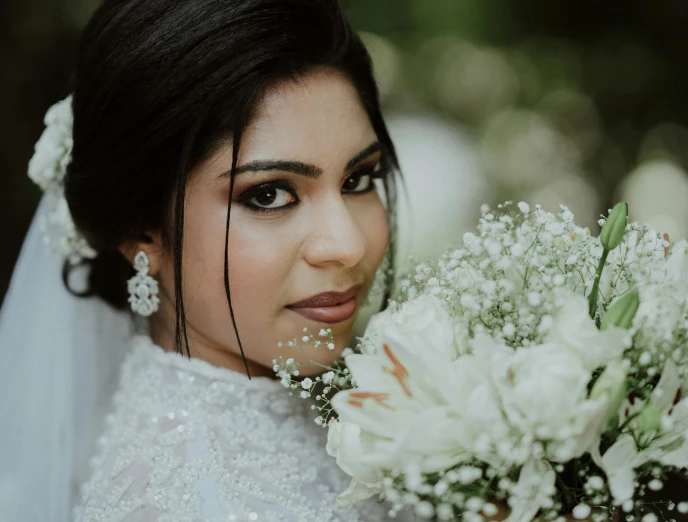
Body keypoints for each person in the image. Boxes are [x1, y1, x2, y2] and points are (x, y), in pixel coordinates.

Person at [0, 1, 402, 520]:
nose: (347, 245)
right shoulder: (180, 502)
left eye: (358, 180)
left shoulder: (366, 414)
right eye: (269, 195)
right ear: (140, 229)